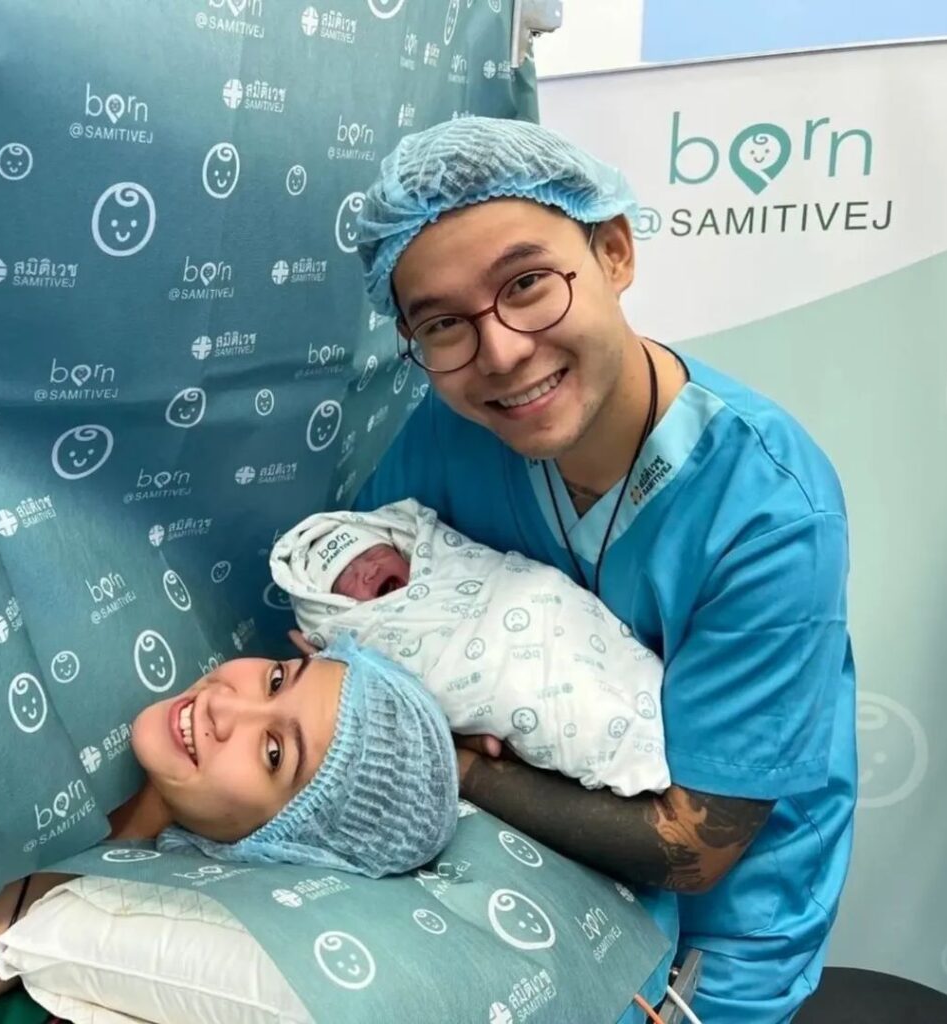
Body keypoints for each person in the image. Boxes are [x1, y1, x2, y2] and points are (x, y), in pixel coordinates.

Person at [350, 115, 856, 1023]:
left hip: (708, 946)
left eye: (527, 284)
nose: (502, 352)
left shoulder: (768, 509)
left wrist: (460, 768)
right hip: (517, 885)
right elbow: (351, 630)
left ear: (615, 251)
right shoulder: (447, 438)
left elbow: (693, 848)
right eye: (443, 325)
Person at [0, 636, 458, 1016]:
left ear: (283, 841)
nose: (223, 704)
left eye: (273, 752)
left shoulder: (65, 900)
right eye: (277, 680)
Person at [271, 496, 670, 798]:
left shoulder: (448, 564)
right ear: (341, 613)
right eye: (347, 579)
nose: (369, 570)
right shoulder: (379, 636)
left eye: (373, 554)